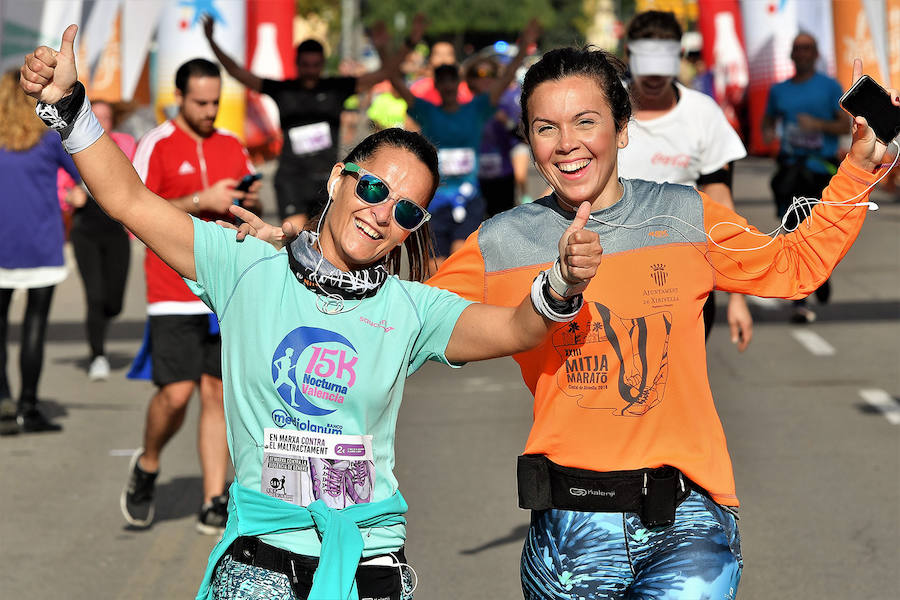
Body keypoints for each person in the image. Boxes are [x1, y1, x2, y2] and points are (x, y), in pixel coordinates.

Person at [21, 24, 603, 600]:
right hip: (262, 559)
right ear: (337, 179)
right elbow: (128, 199)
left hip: (370, 560)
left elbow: (513, 327)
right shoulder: (244, 267)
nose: (382, 215)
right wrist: (71, 108)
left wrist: (563, 283)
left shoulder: (409, 307)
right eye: (373, 190)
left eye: (406, 212)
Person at [425, 49, 889, 598]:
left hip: (688, 523)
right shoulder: (502, 242)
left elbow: (793, 267)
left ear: (622, 130)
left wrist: (859, 166)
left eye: (586, 121)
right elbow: (412, 324)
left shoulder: (685, 216)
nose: (567, 143)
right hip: (569, 534)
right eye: (546, 127)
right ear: (529, 140)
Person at [120, 58, 261, 535]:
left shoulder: (231, 144)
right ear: (179, 97)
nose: (209, 110)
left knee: (217, 393)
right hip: (172, 290)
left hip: (224, 291)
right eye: (200, 102)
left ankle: (213, 498)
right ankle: (149, 464)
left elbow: (242, 203)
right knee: (176, 395)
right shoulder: (156, 143)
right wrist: (201, 200)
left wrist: (246, 202)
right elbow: (131, 211)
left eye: (215, 102)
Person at [203, 14, 425, 230]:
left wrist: (411, 41)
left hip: (326, 178)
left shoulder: (335, 88)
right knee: (296, 238)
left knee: (320, 242)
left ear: (322, 64)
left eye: (316, 65)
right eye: (305, 65)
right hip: (292, 178)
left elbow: (384, 73)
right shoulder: (283, 90)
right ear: (297, 64)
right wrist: (212, 41)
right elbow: (237, 72)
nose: (310, 71)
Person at [619, 10, 752, 349]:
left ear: (678, 56)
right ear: (629, 55)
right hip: (613, 268)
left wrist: (737, 295)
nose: (653, 73)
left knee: (678, 380)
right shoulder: (606, 109)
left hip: (684, 272)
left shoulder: (702, 114)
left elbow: (720, 205)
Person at [390, 20, 542, 265]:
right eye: (444, 80)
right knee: (435, 266)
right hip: (437, 198)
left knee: (459, 258)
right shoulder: (427, 112)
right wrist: (409, 43)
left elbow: (504, 79)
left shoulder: (476, 109)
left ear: (458, 83)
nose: (449, 86)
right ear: (437, 85)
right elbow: (394, 79)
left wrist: (524, 47)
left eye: (453, 80)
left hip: (469, 196)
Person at [0, 68, 77, 435]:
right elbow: (82, 175)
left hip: (3, 248)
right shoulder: (47, 141)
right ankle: (28, 407)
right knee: (34, 326)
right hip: (42, 247)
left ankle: (2, 400)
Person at [762, 32, 850, 323]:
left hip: (820, 169)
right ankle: (800, 299)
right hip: (790, 168)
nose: (802, 53)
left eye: (807, 48)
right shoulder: (779, 91)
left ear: (816, 54)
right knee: (793, 231)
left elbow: (844, 127)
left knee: (818, 231)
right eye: (797, 48)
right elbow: (767, 121)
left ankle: (820, 276)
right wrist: (770, 135)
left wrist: (817, 125)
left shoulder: (829, 87)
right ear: (791, 54)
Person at [60, 100, 136, 380]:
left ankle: (104, 319)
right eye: (96, 116)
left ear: (113, 120)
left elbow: (139, 178)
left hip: (117, 229)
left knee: (113, 303)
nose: (101, 121)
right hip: (85, 229)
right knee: (94, 296)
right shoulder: (73, 144)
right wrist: (68, 196)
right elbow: (59, 178)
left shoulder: (125, 143)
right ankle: (98, 356)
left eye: (106, 116)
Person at [465, 56, 526, 218]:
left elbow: (524, 138)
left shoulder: (506, 106)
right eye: (479, 75)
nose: (485, 80)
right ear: (470, 80)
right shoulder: (465, 110)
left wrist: (507, 122)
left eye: (490, 74)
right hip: (473, 179)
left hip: (502, 177)